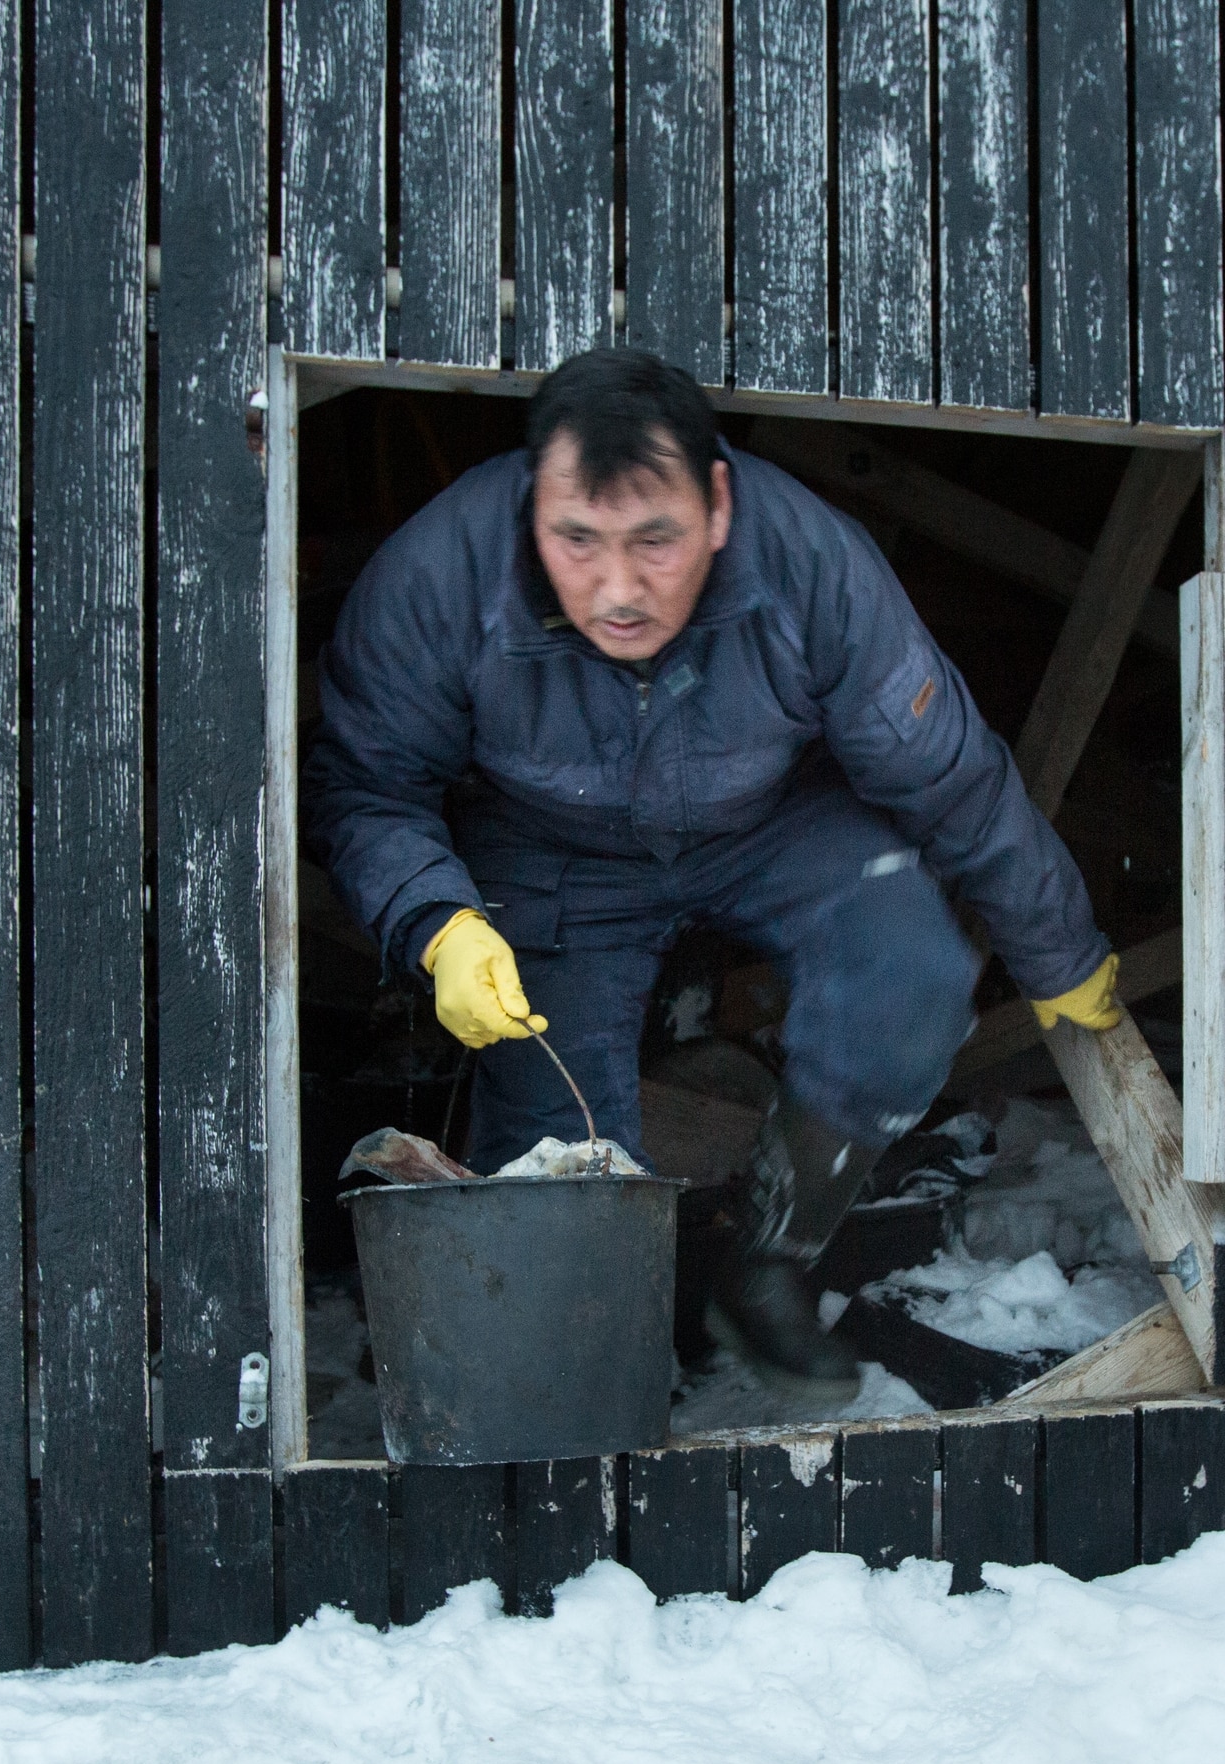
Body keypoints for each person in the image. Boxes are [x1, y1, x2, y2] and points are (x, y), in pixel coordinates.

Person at [303, 348, 1121, 1401]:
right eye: (577, 541)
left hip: (771, 820)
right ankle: (562, 1406)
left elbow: (949, 779)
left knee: (911, 967)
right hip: (549, 851)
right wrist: (436, 918)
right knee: (558, 1178)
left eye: (658, 540)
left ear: (720, 503)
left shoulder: (811, 567)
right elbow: (363, 786)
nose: (619, 588)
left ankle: (769, 1263)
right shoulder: (438, 578)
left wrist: (1059, 951)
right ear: (530, 511)